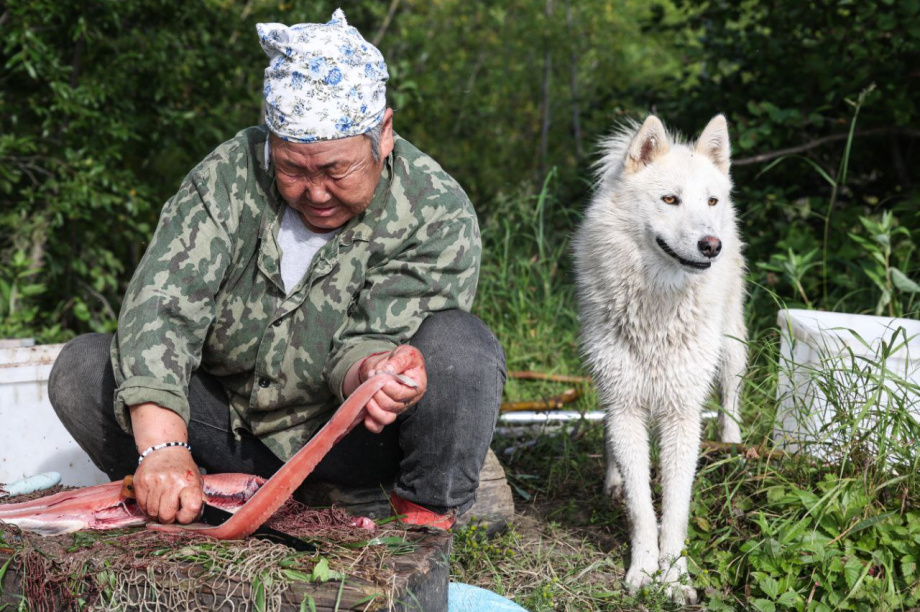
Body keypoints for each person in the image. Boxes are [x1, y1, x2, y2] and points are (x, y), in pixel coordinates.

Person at [49, 9, 506, 531]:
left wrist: (374, 373)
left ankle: (421, 528)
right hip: (228, 430)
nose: (316, 192)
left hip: (349, 440)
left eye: (336, 170)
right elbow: (162, 305)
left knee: (462, 348)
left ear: (383, 135)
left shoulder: (434, 209)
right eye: (292, 169)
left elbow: (370, 341)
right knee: (83, 370)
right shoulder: (230, 175)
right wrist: (165, 446)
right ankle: (188, 501)